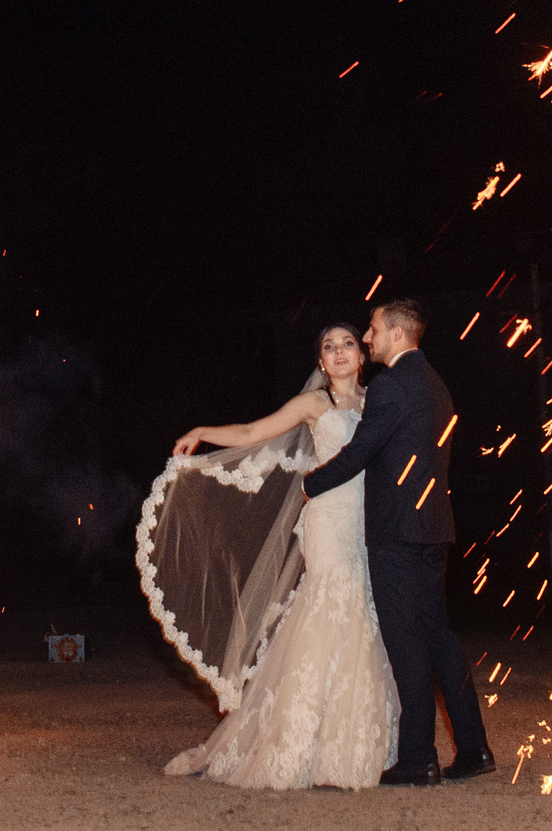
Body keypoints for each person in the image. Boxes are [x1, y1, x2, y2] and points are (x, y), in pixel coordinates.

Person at [140, 323, 400, 788]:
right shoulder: (314, 404)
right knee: (332, 608)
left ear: (362, 356)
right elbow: (253, 430)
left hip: (368, 523)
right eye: (329, 347)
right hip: (329, 522)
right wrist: (201, 431)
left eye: (347, 344)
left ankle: (354, 740)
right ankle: (302, 742)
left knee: (365, 614)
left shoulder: (376, 402)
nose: (339, 352)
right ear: (321, 362)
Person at [297, 300, 493, 786]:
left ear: (398, 334)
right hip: (433, 527)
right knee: (440, 635)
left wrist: (311, 484)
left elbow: (361, 452)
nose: (367, 338)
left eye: (373, 329)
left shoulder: (389, 385)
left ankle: (418, 758)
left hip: (396, 532)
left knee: (406, 642)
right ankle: (474, 748)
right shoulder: (435, 382)